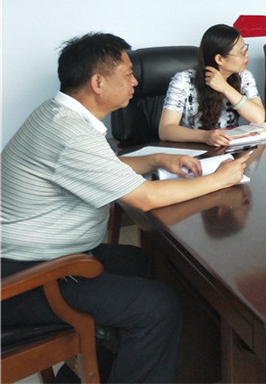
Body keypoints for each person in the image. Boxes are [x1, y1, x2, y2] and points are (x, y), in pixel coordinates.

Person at [0, 32, 251, 383]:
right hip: (23, 277)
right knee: (157, 305)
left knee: (138, 262)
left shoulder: (58, 114)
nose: (135, 81)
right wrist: (220, 179)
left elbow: (101, 168)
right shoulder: (70, 134)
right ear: (98, 82)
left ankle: (105, 366)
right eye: (128, 73)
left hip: (44, 256)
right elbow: (144, 198)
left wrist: (158, 159)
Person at [159, 24, 266, 146]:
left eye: (245, 49)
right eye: (241, 52)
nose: (246, 55)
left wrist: (225, 88)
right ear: (219, 59)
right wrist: (205, 136)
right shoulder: (183, 80)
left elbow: (258, 118)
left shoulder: (244, 76)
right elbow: (165, 130)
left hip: (230, 147)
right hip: (195, 148)